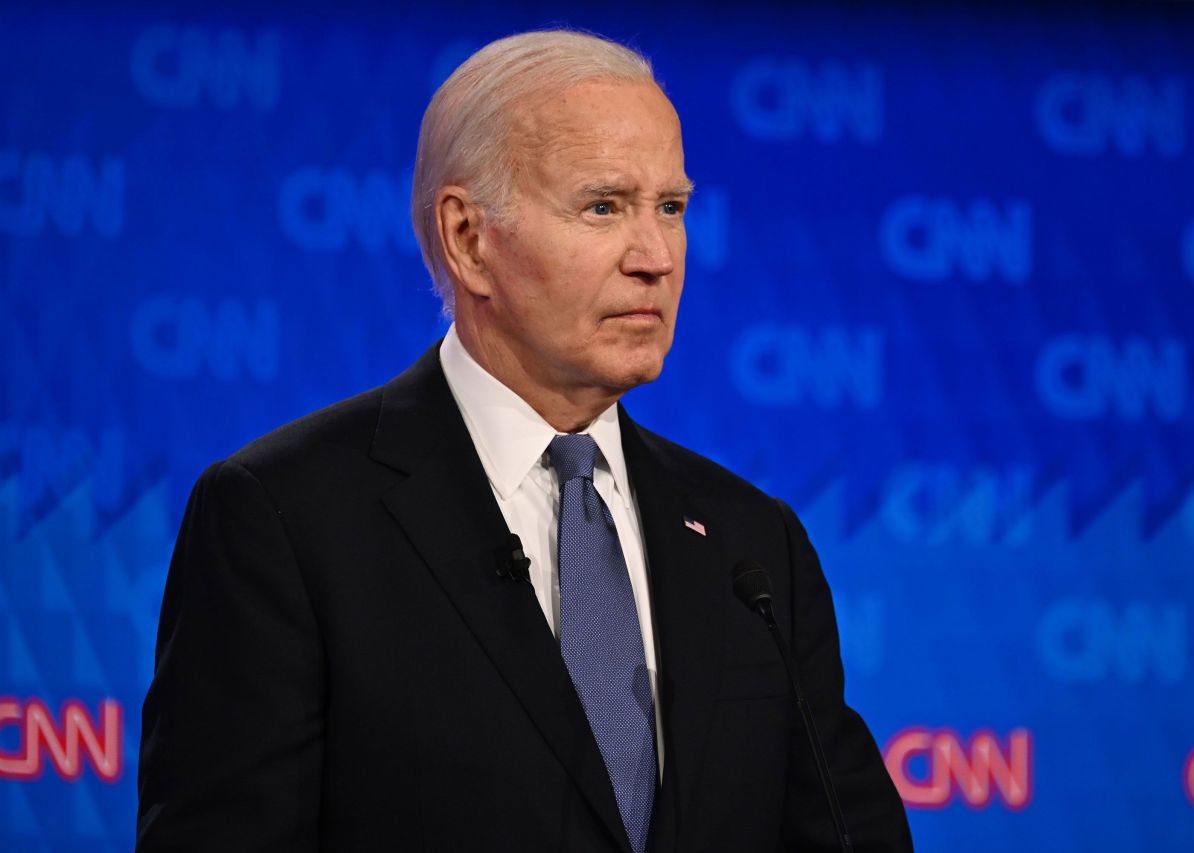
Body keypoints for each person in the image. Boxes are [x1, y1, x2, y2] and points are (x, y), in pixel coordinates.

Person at [136, 29, 912, 853]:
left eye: (672, 208)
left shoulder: (753, 546)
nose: (656, 257)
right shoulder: (285, 521)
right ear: (469, 239)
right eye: (604, 206)